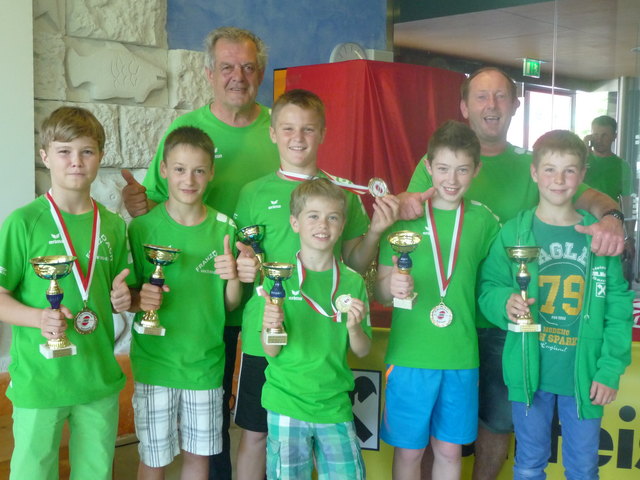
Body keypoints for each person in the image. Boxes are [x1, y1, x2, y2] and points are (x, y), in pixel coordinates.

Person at [401, 67, 625, 480]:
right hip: (452, 321)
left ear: (515, 106)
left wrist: (611, 217)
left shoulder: (533, 161)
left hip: (514, 327)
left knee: (499, 426)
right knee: (441, 433)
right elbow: (410, 208)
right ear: (465, 107)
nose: (492, 105)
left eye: (502, 96)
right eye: (482, 97)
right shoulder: (438, 163)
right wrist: (399, 205)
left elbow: (586, 193)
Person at [121, 26, 280, 480]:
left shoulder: (278, 130)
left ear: (261, 72)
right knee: (196, 433)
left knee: (237, 422)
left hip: (260, 305)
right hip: (190, 310)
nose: (238, 76)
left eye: (248, 67)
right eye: (227, 66)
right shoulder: (183, 130)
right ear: (209, 73)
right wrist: (137, 205)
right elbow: (152, 207)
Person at [233, 88, 399, 479]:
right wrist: (241, 266)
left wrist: (374, 234)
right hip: (267, 333)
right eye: (288, 128)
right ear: (272, 133)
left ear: (322, 133)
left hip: (324, 337)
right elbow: (245, 256)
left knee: (321, 441)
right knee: (258, 436)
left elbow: (353, 264)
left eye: (308, 129)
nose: (298, 138)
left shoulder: (342, 195)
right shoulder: (252, 192)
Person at [478, 129, 633, 479]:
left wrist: (609, 370)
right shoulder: (515, 233)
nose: (558, 180)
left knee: (583, 468)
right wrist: (505, 302)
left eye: (568, 170)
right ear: (534, 173)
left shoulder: (599, 237)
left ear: (582, 175)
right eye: (549, 169)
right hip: (528, 371)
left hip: (585, 376)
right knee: (529, 465)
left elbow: (619, 310)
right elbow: (489, 287)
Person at [0, 106, 134, 479]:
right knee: (32, 472)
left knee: (95, 473)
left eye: (87, 151)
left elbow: (119, 289)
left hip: (97, 377)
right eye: (64, 151)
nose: (76, 161)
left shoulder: (111, 225)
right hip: (40, 379)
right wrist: (37, 318)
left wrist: (125, 298)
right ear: (45, 157)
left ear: (100, 157)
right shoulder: (23, 222)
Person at [128, 126, 260, 480]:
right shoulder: (141, 229)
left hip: (205, 364)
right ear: (164, 170)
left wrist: (233, 275)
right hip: (155, 363)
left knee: (198, 459)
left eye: (199, 170)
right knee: (153, 460)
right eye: (181, 169)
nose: (189, 179)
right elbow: (132, 298)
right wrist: (141, 298)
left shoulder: (224, 228)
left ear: (211, 173)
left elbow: (230, 305)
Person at [376, 121, 500, 479]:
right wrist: (392, 288)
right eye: (443, 168)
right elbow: (380, 289)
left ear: (477, 169)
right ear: (427, 167)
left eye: (462, 169)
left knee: (450, 451)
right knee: (410, 452)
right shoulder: (403, 221)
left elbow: (494, 282)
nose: (452, 179)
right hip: (410, 354)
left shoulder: (485, 222)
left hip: (461, 355)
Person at [259, 177, 372, 479]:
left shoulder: (352, 282)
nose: (323, 224)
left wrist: (355, 328)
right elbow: (270, 349)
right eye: (313, 216)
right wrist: (271, 325)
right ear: (295, 223)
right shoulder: (277, 279)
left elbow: (362, 350)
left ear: (342, 223)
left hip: (333, 405)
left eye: (332, 217)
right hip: (287, 402)